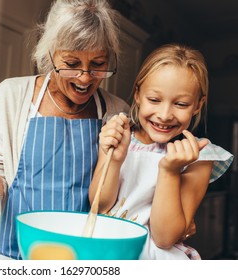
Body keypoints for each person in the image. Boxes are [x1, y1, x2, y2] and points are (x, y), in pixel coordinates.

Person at [0, 0, 129, 260]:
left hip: (81, 258)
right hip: (13, 254)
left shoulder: (116, 111)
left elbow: (120, 195)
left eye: (97, 64)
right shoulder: (12, 95)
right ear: (50, 54)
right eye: (71, 63)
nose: (84, 78)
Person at [89, 43, 234, 259]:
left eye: (181, 104)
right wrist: (115, 160)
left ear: (198, 105)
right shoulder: (118, 133)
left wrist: (169, 170)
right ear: (138, 94)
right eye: (154, 100)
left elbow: (165, 237)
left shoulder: (200, 156)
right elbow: (99, 206)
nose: (165, 114)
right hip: (105, 251)